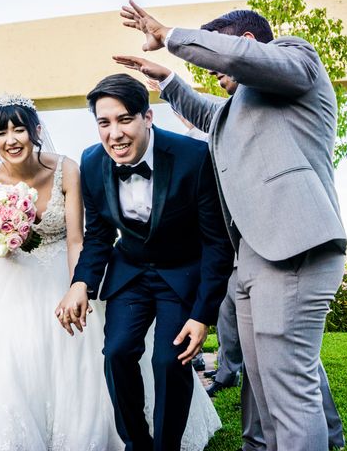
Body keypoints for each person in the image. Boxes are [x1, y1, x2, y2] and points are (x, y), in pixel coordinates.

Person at [0, 93, 222, 451]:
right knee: (8, 363)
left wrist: (78, 284)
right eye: (1, 132)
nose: (11, 139)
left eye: (19, 129)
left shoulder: (67, 168)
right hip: (9, 278)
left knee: (108, 352)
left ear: (36, 131)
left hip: (65, 266)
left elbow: (80, 237)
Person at [119, 3, 347, 451]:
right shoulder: (238, 108)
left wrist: (169, 34)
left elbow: (240, 63)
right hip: (250, 260)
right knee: (261, 388)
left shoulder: (296, 59)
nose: (217, 74)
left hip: (292, 248)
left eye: (223, 62)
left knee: (289, 393)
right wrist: (167, 81)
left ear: (242, 43)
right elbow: (210, 114)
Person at [57, 74, 234, 451]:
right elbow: (100, 236)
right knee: (117, 353)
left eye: (124, 119)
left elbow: (217, 244)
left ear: (147, 117)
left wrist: (202, 315)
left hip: (181, 273)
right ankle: (136, 443)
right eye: (104, 123)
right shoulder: (91, 162)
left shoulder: (194, 158)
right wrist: (80, 283)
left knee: (170, 362)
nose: (114, 134)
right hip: (131, 272)